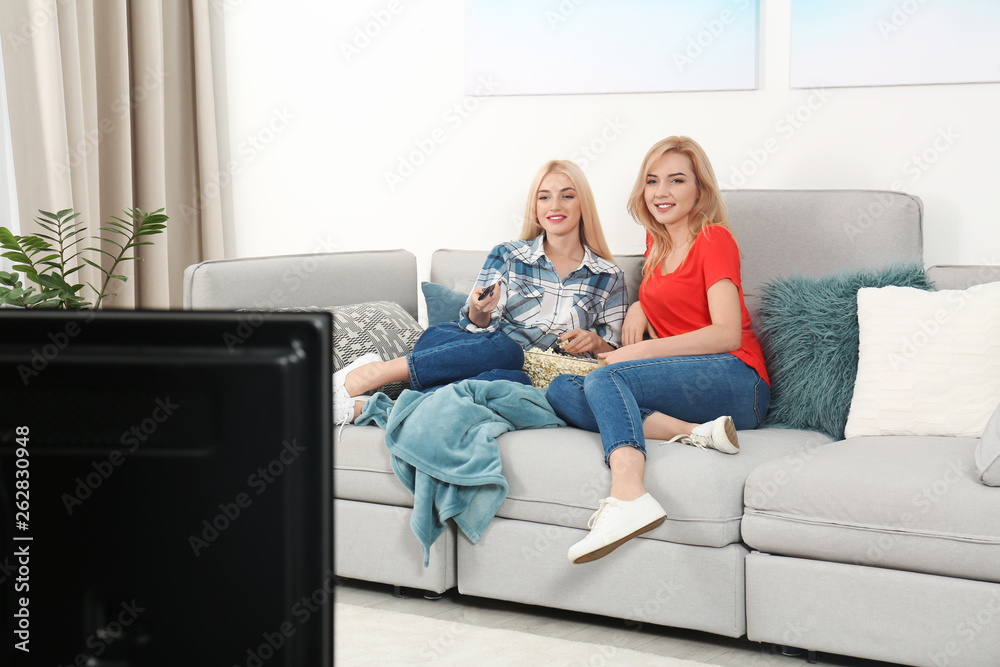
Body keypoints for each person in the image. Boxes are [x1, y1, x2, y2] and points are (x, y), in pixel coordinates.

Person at [546, 136, 771, 564]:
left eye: (676, 180)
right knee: (561, 389)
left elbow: (726, 334)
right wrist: (639, 304)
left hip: (737, 379)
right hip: (687, 390)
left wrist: (640, 352)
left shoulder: (714, 239)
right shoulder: (657, 245)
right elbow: (674, 295)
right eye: (652, 181)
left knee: (605, 378)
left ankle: (629, 495)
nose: (661, 192)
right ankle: (691, 431)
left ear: (699, 190)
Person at [334, 159, 629, 427]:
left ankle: (368, 408)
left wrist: (596, 342)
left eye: (567, 195)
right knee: (507, 350)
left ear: (583, 204)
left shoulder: (608, 276)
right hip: (452, 349)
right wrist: (480, 310)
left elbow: (617, 355)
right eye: (544, 197)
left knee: (513, 383)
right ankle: (374, 372)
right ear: (535, 208)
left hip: (493, 378)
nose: (555, 205)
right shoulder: (509, 255)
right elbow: (471, 327)